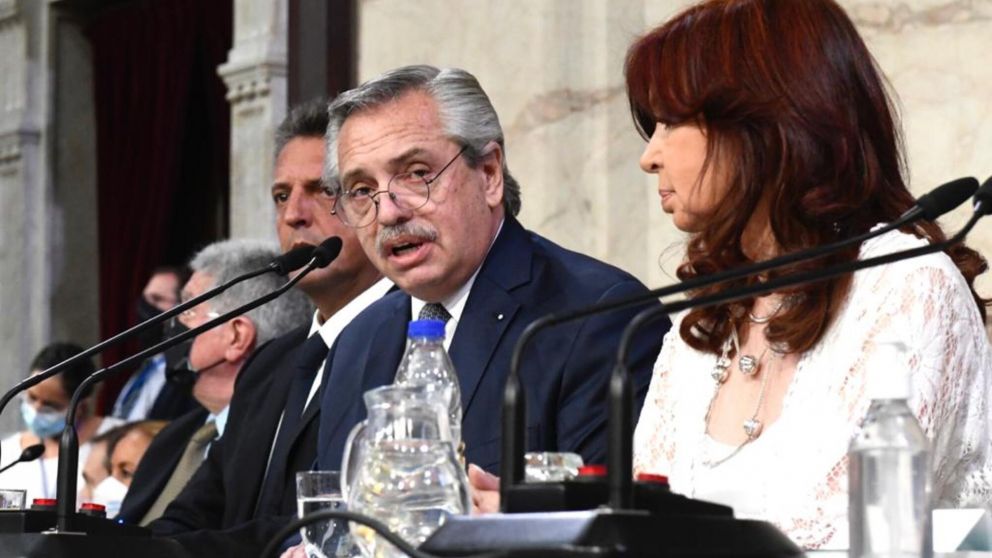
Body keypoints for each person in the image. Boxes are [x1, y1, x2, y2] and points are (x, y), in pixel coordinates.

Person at [625, 0, 992, 550]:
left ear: (764, 123)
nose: (648, 156)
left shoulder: (908, 287)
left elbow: (851, 535)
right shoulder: (708, 316)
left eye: (670, 122)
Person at [315, 65, 667, 486]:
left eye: (415, 173)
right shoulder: (355, 342)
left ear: (489, 175)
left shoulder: (599, 316)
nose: (388, 211)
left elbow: (604, 527)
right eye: (360, 190)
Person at [147, 99, 390, 557]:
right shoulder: (270, 364)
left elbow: (331, 522)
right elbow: (195, 509)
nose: (294, 214)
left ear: (367, 200)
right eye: (282, 195)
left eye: (322, 190)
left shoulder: (407, 343)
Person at [118, 239, 313, 525]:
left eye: (187, 309)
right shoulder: (173, 438)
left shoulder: (279, 445)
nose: (170, 322)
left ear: (236, 336)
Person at [0, 343, 124, 503]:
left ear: (81, 406)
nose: (36, 409)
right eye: (32, 397)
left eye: (50, 405)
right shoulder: (8, 452)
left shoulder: (121, 441)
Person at [113, 265, 198, 421]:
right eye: (145, 298)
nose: (146, 306)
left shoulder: (186, 374)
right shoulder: (144, 365)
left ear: (183, 308)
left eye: (157, 299)